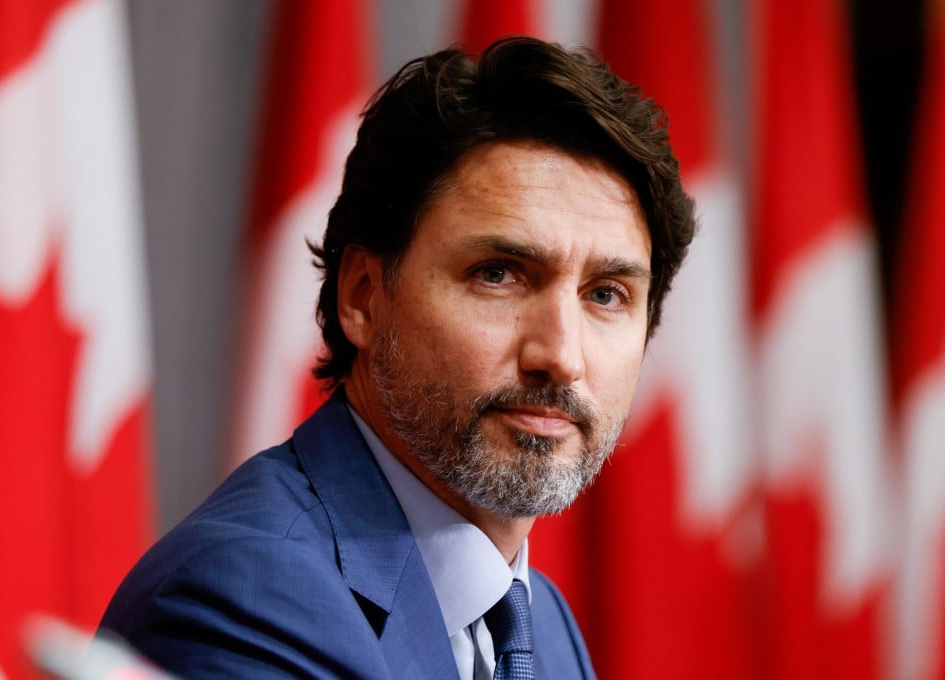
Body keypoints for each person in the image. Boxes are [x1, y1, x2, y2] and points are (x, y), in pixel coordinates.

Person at [100, 36, 695, 679]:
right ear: (362, 295)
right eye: (497, 274)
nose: (561, 357)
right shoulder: (242, 597)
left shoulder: (545, 628)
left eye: (606, 294)